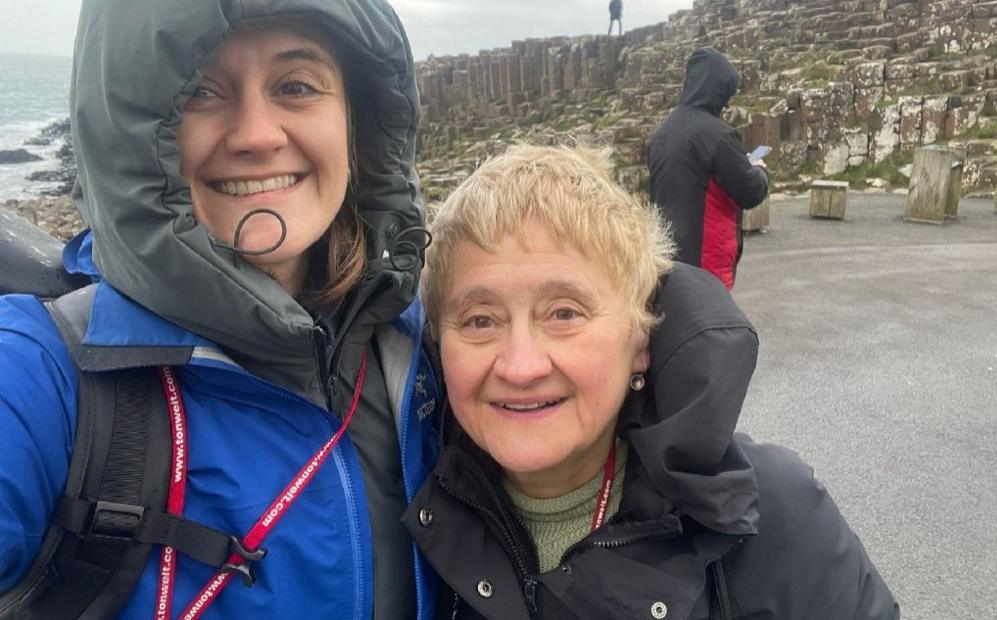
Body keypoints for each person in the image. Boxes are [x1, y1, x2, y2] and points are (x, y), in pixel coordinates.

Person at [0, 1, 439, 618]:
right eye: (201, 91)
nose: (258, 135)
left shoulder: (430, 352)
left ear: (356, 119)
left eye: (296, 86)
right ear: (125, 131)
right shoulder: (40, 376)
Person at [404, 144, 899, 619]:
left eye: (563, 313)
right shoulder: (397, 519)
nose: (520, 365)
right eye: (480, 321)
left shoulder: (772, 517)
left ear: (641, 340)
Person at [648, 48, 769, 290]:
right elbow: (749, 191)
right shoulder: (718, 135)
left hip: (664, 253)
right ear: (719, 89)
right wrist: (759, 169)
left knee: (675, 317)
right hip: (705, 259)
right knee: (708, 322)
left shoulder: (662, 132)